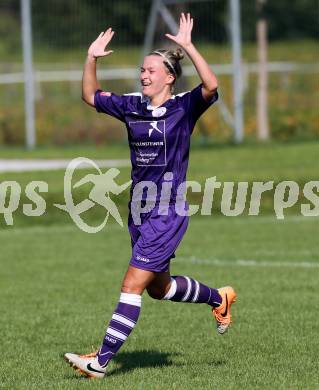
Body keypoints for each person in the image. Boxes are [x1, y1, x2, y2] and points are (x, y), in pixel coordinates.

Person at [64, 13, 237, 379]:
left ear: (169, 77)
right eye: (142, 70)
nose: (143, 75)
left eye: (151, 70)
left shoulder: (183, 107)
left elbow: (211, 86)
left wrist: (188, 48)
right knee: (159, 288)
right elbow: (89, 95)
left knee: (131, 285)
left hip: (167, 211)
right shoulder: (132, 107)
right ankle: (218, 298)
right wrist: (91, 57)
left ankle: (101, 362)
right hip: (139, 211)